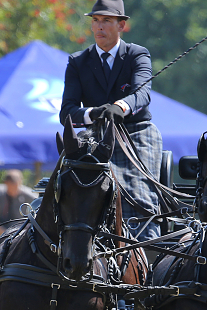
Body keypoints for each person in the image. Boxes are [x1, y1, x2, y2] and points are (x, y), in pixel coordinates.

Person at [60, 0, 163, 241]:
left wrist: (120, 106)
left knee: (137, 192)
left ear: (122, 25)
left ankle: (147, 250)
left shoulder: (137, 54)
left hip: (136, 131)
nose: (99, 26)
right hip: (95, 134)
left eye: (106, 20)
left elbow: (142, 94)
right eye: (95, 20)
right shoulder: (77, 61)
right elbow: (67, 112)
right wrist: (94, 113)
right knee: (76, 188)